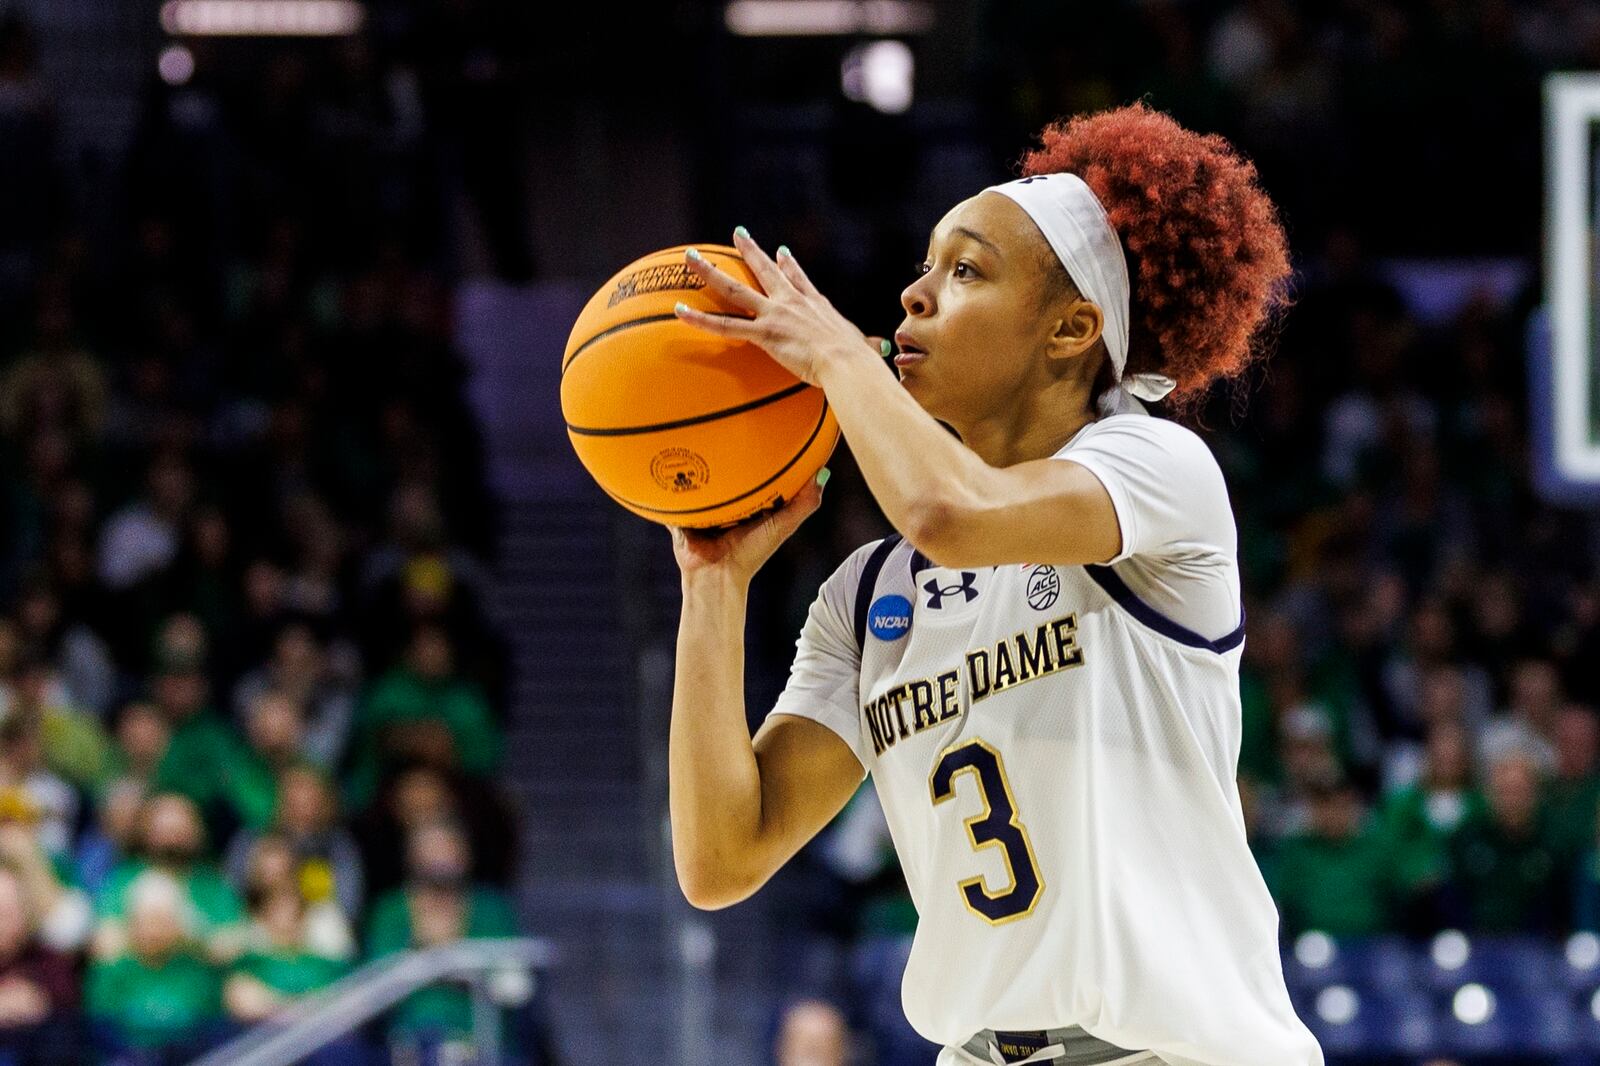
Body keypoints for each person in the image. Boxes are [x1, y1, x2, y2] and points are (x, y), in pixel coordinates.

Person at [667, 103, 1319, 1065]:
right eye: (926, 266)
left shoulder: (1157, 468)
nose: (915, 296)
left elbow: (953, 516)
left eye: (964, 269)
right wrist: (713, 588)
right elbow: (722, 859)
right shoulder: (868, 593)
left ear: (1071, 328)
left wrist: (842, 356)